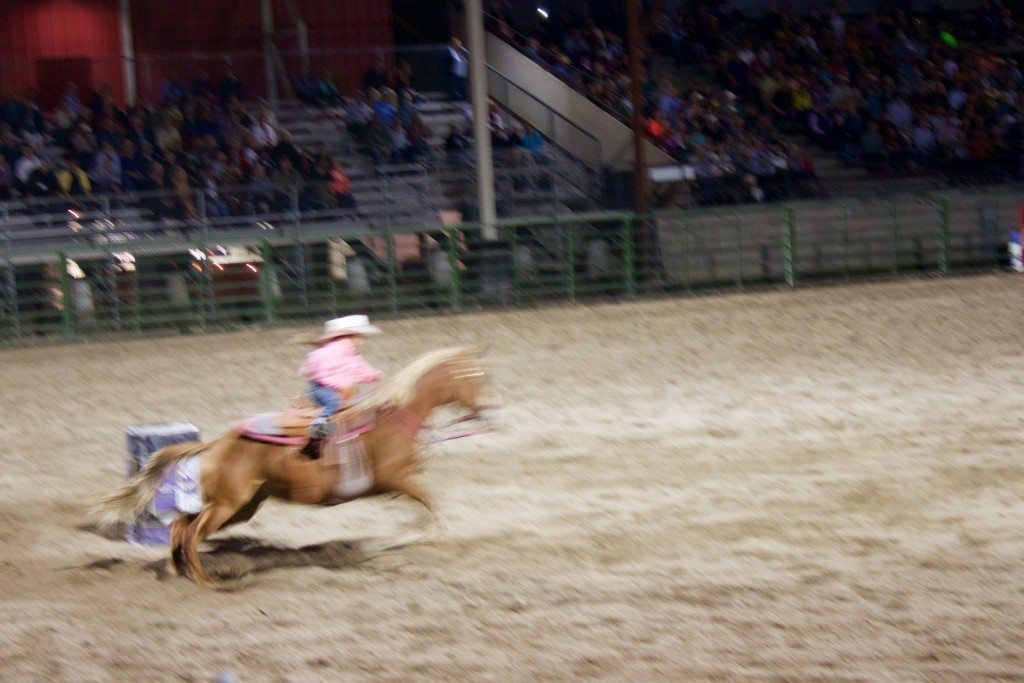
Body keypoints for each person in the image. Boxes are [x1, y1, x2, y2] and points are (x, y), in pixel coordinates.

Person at [300, 315, 383, 439]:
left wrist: (375, 375)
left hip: (333, 386)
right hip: (321, 388)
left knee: (359, 401)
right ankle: (319, 424)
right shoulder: (330, 352)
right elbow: (323, 375)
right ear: (350, 336)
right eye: (361, 336)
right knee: (334, 403)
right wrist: (343, 384)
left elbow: (360, 367)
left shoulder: (349, 351)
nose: (363, 339)